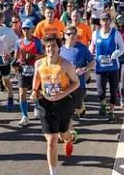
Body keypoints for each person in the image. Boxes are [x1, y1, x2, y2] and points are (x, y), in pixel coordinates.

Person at [32, 34, 82, 173]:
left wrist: (63, 94)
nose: (50, 49)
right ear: (45, 49)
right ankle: (53, 172)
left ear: (58, 47)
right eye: (48, 46)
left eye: (53, 46)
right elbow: (36, 78)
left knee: (62, 134)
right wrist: (34, 90)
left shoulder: (65, 64)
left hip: (63, 104)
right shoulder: (39, 64)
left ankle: (68, 139)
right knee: (51, 141)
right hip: (45, 103)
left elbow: (76, 82)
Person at [59, 24, 95, 140]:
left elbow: (92, 62)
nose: (71, 36)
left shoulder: (82, 48)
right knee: (66, 109)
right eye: (69, 34)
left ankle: (82, 108)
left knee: (77, 108)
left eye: (73, 34)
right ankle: (71, 131)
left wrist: (84, 69)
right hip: (65, 85)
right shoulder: (61, 50)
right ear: (64, 36)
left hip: (78, 84)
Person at [89, 13, 124, 123]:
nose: (105, 23)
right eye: (103, 20)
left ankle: (111, 111)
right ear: (100, 22)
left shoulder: (116, 34)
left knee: (114, 92)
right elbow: (92, 46)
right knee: (100, 92)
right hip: (100, 68)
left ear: (110, 21)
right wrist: (89, 54)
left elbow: (122, 47)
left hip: (113, 68)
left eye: (107, 20)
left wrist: (117, 53)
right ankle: (103, 103)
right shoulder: (95, 34)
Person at [13, 20, 44, 126]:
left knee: (37, 93)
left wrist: (34, 56)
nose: (26, 31)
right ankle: (25, 115)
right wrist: (15, 64)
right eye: (24, 29)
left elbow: (43, 55)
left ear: (32, 29)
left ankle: (36, 107)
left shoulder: (37, 42)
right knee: (22, 92)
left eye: (28, 28)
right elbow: (17, 56)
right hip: (23, 69)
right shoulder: (19, 42)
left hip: (35, 70)